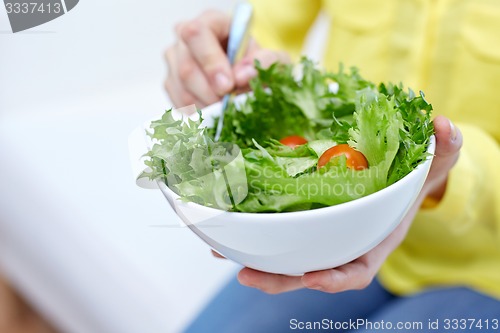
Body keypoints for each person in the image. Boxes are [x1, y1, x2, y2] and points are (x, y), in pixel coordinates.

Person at [164, 1, 500, 332]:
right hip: (333, 235)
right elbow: (271, 21)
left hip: (483, 271)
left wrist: (438, 170)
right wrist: (233, 62)